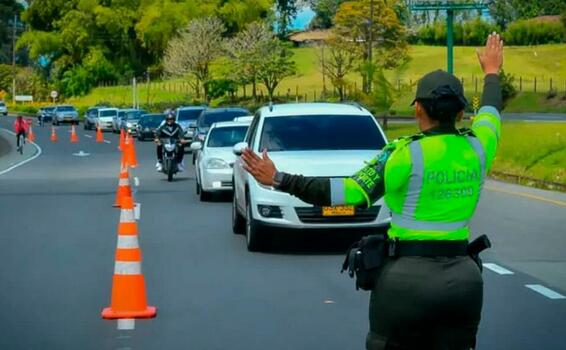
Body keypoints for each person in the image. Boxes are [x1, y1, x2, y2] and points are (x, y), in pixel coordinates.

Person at [240, 32, 504, 349]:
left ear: (418, 108)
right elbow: (490, 112)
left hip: (405, 283)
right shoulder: (479, 147)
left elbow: (345, 193)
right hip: (464, 282)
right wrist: (492, 72)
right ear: (461, 113)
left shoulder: (401, 154)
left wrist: (280, 179)